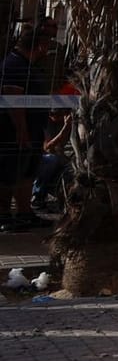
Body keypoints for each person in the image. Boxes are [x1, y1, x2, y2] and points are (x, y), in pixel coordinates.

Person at [1, 21, 57, 231]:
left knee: (26, 172)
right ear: (39, 45)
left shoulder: (28, 66)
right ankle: (4, 214)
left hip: (32, 130)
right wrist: (21, 129)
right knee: (8, 173)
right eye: (47, 43)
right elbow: (13, 97)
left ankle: (25, 213)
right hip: (12, 131)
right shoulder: (15, 64)